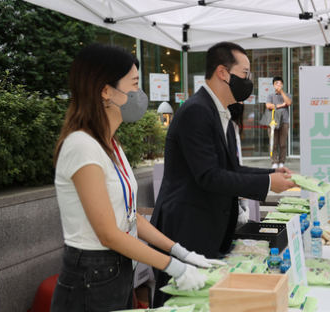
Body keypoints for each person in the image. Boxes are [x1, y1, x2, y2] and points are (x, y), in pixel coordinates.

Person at [51, 44, 217, 312]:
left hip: (115, 272)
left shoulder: (110, 144)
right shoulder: (81, 145)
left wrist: (179, 251)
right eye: (134, 84)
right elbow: (108, 234)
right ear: (106, 91)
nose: (140, 94)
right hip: (91, 279)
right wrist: (174, 267)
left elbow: (128, 215)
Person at [150, 42, 295, 307]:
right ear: (222, 72)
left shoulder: (220, 113)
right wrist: (267, 183)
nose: (249, 81)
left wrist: (271, 175)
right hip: (186, 229)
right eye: (245, 73)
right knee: (179, 300)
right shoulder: (197, 111)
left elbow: (232, 169)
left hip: (207, 229)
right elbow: (209, 176)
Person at [260, 76, 292, 168]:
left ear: (282, 84)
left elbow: (288, 102)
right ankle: (274, 161)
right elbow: (268, 106)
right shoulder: (270, 95)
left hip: (284, 121)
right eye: (276, 83)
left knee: (282, 143)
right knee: (273, 142)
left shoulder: (287, 94)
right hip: (273, 121)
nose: (278, 85)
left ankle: (282, 161)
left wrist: (281, 92)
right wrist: (281, 105)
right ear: (273, 85)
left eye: (280, 83)